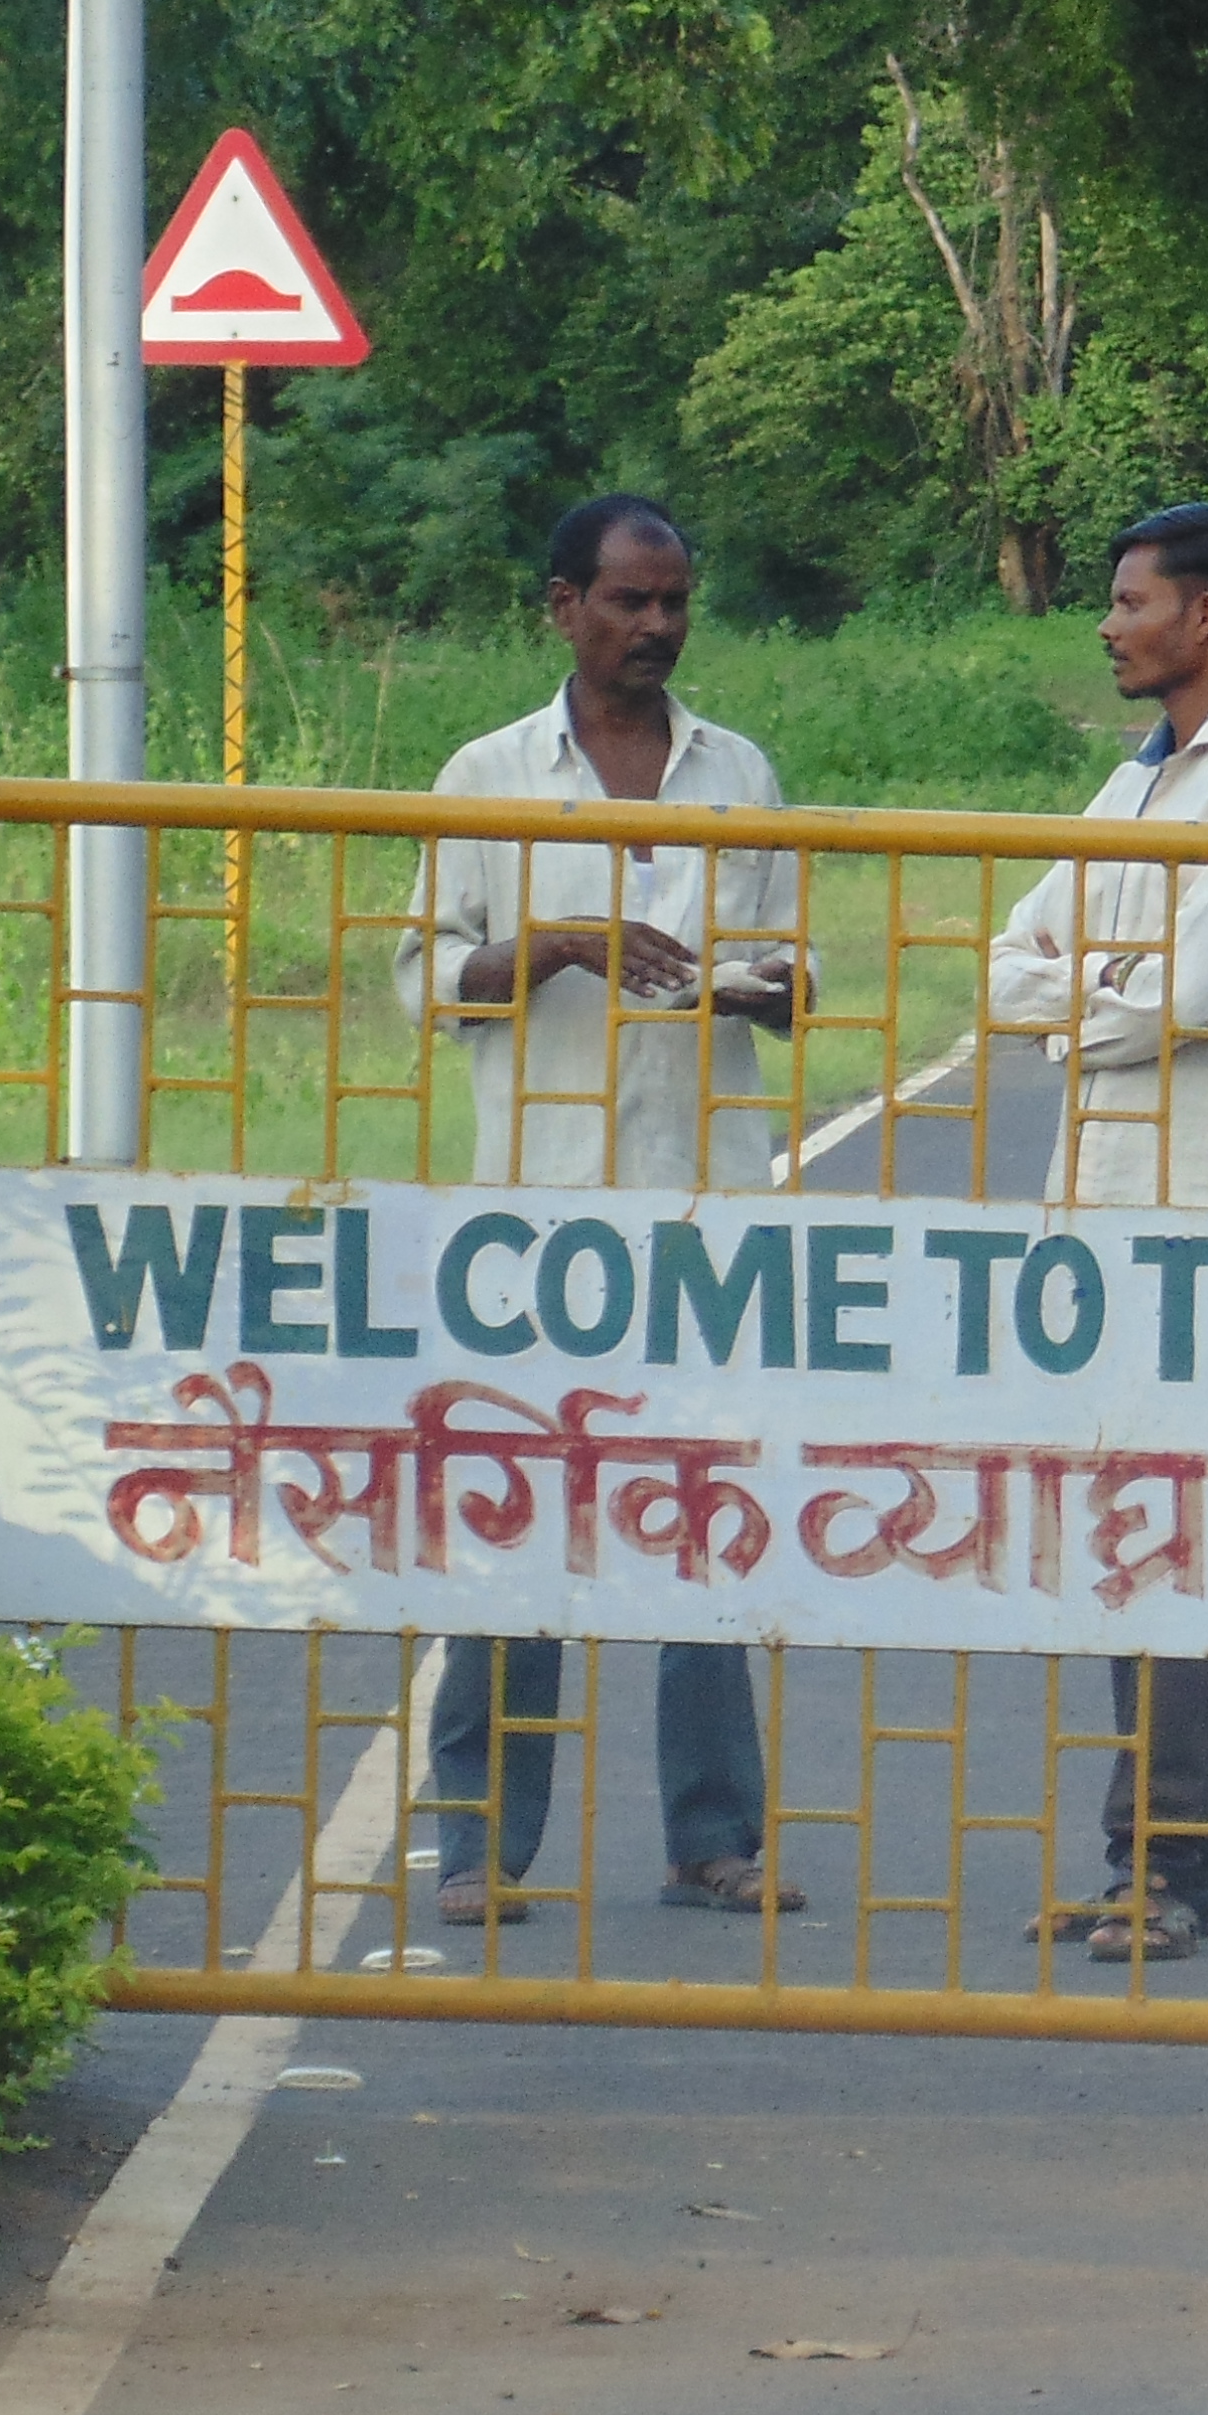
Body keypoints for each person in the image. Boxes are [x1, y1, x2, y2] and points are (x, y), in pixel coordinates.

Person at [398, 494, 804, 1930]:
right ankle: (476, 1846)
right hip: (535, 1212)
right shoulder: (488, 773)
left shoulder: (737, 771)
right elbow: (430, 980)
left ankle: (714, 1837)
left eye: (674, 601)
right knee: (515, 1520)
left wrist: (761, 986)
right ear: (562, 605)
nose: (654, 627)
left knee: (700, 1516)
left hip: (702, 1201)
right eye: (627, 602)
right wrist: (561, 943)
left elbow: (787, 969)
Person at [983, 502, 1208, 1967]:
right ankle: (1145, 1849)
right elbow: (1008, 968)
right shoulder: (1130, 789)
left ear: (1206, 618)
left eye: (1130, 601)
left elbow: (1191, 998)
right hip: (1105, 1201)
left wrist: (1091, 1010)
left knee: (1178, 1533)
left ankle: (1180, 1865)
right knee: (1120, 1537)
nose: (1110, 623)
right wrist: (1103, 1012)